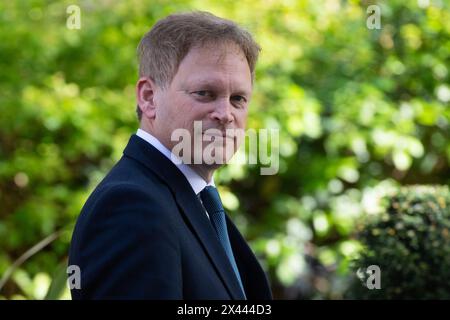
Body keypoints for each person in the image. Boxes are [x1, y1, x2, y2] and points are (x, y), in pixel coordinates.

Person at [68, 11, 272, 300]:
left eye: (238, 98)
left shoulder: (194, 201)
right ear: (149, 97)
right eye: (205, 93)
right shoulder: (131, 207)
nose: (226, 114)